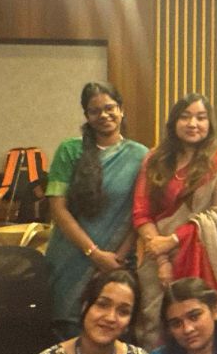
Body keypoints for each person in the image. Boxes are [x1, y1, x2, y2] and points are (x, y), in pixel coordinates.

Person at [133, 93, 217, 348]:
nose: (193, 124)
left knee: (204, 329)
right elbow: (141, 212)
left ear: (210, 123)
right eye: (185, 117)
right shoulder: (154, 159)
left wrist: (174, 239)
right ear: (173, 122)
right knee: (157, 330)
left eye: (201, 117)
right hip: (155, 261)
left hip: (206, 260)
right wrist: (162, 259)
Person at [45, 82, 148, 339]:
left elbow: (140, 214)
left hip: (117, 262)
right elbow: (58, 208)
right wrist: (93, 253)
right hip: (70, 258)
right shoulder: (70, 150)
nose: (104, 115)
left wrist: (115, 260)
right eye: (95, 111)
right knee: (69, 332)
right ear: (87, 116)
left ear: (121, 110)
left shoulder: (141, 156)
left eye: (109, 108)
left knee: (114, 326)